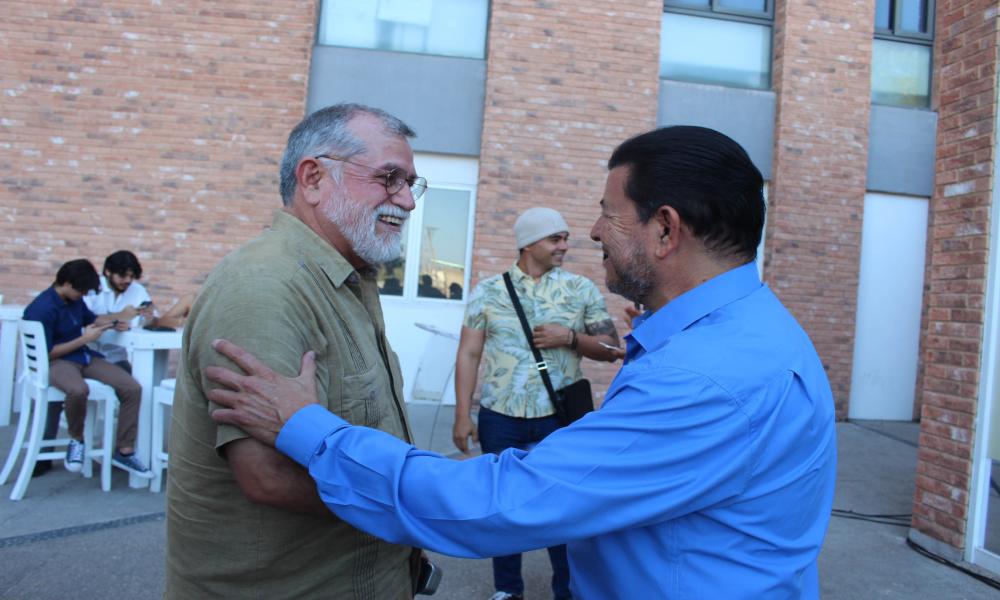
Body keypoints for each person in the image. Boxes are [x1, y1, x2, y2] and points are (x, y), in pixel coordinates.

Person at [204, 126, 838, 599]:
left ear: (665, 230)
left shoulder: (705, 379)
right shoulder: (748, 334)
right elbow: (473, 353)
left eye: (606, 214)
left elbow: (503, 503)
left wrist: (309, 428)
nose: (590, 234)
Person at [164, 103, 429, 599]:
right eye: (390, 178)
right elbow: (268, 477)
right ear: (312, 178)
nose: (408, 201)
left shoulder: (344, 278)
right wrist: (418, 508)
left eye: (411, 183)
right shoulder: (265, 286)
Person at [453, 206, 620, 600]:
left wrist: (571, 338)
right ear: (528, 244)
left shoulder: (580, 290)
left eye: (564, 238)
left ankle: (567, 589)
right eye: (555, 238)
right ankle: (507, 590)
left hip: (558, 419)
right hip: (500, 416)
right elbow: (468, 355)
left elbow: (613, 348)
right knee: (502, 506)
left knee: (561, 508)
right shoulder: (489, 292)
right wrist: (463, 414)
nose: (565, 245)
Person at [22, 259, 153, 478]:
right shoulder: (42, 308)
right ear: (66, 283)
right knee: (78, 390)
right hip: (57, 361)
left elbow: (92, 319)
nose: (82, 295)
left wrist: (114, 322)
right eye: (80, 291)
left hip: (84, 357)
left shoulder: (74, 300)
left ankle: (124, 450)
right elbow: (47, 353)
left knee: (132, 388)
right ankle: (77, 439)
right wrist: (84, 339)